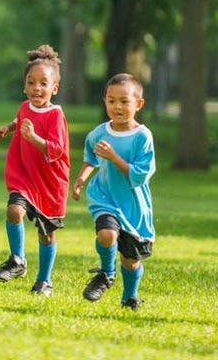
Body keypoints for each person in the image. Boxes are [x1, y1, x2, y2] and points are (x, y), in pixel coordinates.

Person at [0, 45, 71, 297]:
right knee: (14, 210)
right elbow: (22, 118)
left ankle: (44, 281)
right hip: (24, 175)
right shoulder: (25, 106)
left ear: (54, 88)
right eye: (31, 82)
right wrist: (9, 127)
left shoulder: (56, 115)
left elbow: (56, 149)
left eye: (43, 83)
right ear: (24, 86)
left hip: (50, 183)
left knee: (46, 235)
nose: (37, 88)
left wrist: (34, 138)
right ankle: (18, 260)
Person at [71, 73, 155, 310]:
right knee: (106, 235)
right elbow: (91, 158)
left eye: (124, 101)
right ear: (105, 101)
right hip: (104, 197)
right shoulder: (99, 133)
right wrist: (80, 179)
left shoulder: (142, 137)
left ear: (138, 104)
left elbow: (139, 176)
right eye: (111, 100)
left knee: (130, 261)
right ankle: (106, 273)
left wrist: (114, 157)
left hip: (133, 205)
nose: (117, 106)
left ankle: (130, 296)